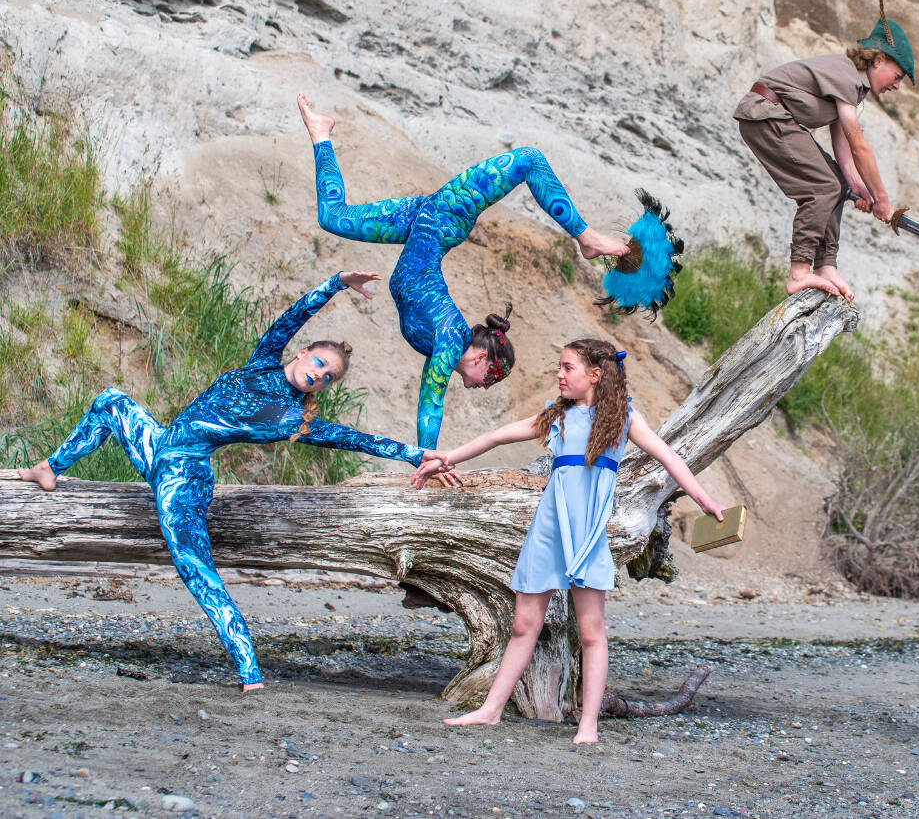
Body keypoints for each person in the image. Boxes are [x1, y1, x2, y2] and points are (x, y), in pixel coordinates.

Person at [19, 271, 444, 692]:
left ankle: (249, 670)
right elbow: (290, 318)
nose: (319, 375)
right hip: (159, 443)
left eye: (328, 376)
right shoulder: (262, 364)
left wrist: (413, 454)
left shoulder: (292, 419)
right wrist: (335, 284)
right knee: (110, 400)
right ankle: (49, 467)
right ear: (300, 354)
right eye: (319, 363)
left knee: (197, 570)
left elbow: (354, 439)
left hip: (184, 476)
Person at [415, 338, 727, 742]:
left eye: (567, 368)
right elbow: (497, 436)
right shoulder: (555, 416)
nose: (559, 375)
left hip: (588, 530)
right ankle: (490, 710)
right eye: (559, 368)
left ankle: (589, 723)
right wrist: (446, 457)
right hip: (549, 527)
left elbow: (668, 457)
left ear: (595, 375)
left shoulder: (623, 418)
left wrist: (703, 499)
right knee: (525, 623)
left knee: (592, 630)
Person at [297, 95, 631, 450]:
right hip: (444, 217)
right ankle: (588, 238)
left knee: (332, 217)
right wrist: (427, 456)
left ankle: (321, 132)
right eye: (486, 381)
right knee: (529, 160)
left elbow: (430, 387)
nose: (478, 387)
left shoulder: (445, 346)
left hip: (422, 224)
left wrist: (424, 453)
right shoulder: (452, 338)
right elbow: (432, 399)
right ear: (482, 358)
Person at [733, 0, 914, 302]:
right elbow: (859, 146)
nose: (897, 85)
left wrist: (858, 187)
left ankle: (826, 264)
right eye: (897, 76)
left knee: (838, 184)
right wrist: (883, 201)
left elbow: (843, 147)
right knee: (822, 186)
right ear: (879, 59)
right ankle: (800, 271)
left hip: (778, 119)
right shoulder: (846, 74)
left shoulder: (854, 89)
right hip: (764, 113)